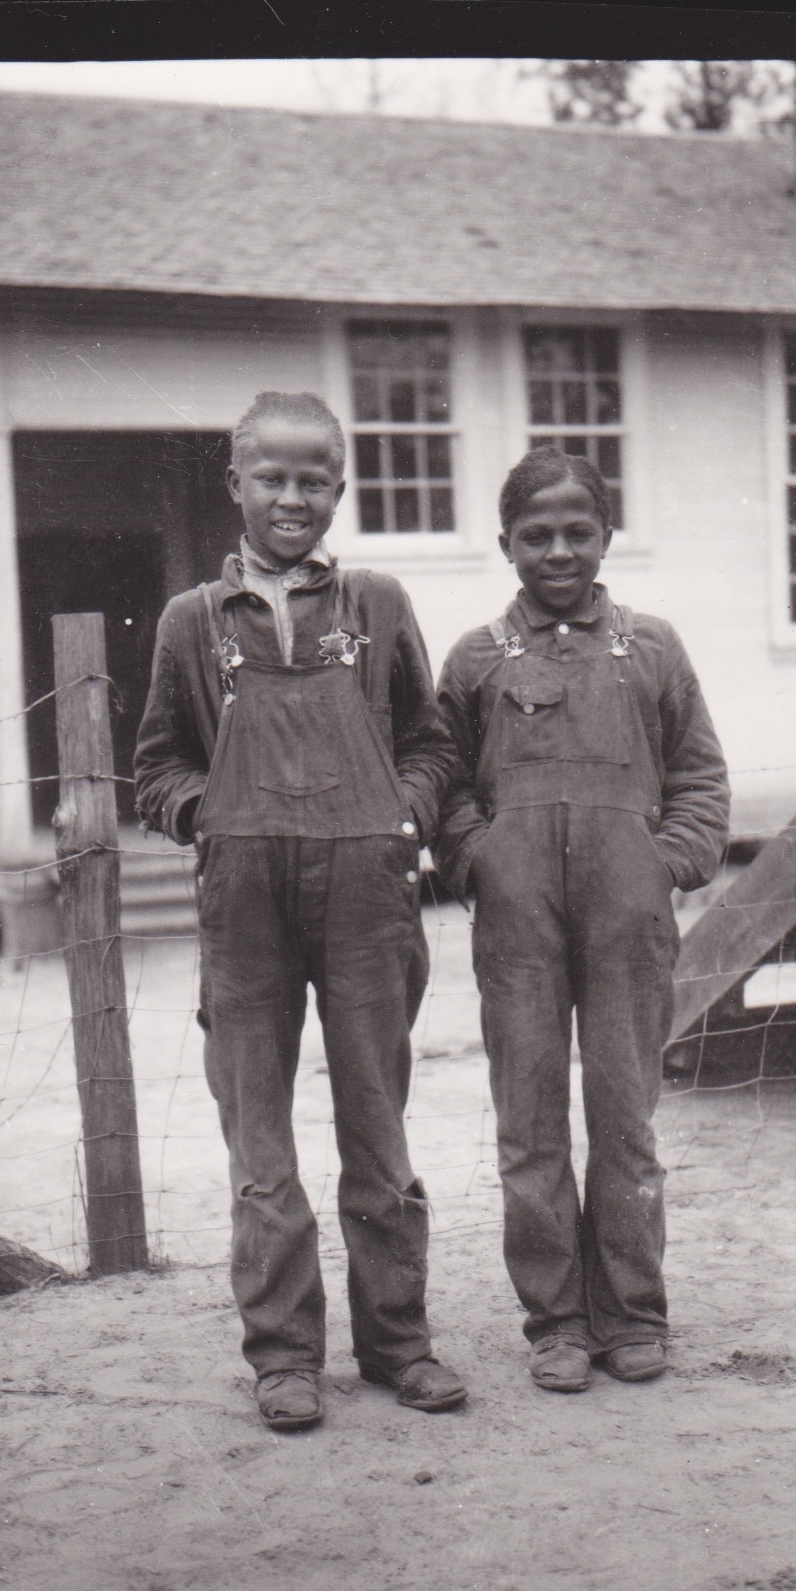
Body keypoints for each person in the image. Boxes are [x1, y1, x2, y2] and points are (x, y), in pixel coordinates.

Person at [134, 391, 466, 1431]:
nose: (292, 496)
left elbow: (431, 744)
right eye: (271, 477)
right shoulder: (193, 621)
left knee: (377, 1120)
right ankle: (282, 1355)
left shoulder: (377, 603)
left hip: (366, 894)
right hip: (245, 904)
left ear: (339, 489)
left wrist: (400, 816)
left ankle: (398, 1343)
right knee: (259, 1138)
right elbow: (156, 767)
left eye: (312, 479)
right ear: (235, 483)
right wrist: (210, 815)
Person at [435, 449, 729, 1392]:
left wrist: (664, 864)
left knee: (623, 1115)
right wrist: (478, 859)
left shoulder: (651, 648)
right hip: (516, 924)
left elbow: (699, 777)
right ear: (505, 545)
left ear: (606, 536)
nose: (557, 551)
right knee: (528, 1122)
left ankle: (633, 1313)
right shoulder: (475, 657)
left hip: (626, 920)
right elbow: (441, 782)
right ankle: (556, 1320)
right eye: (536, 535)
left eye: (576, 532)